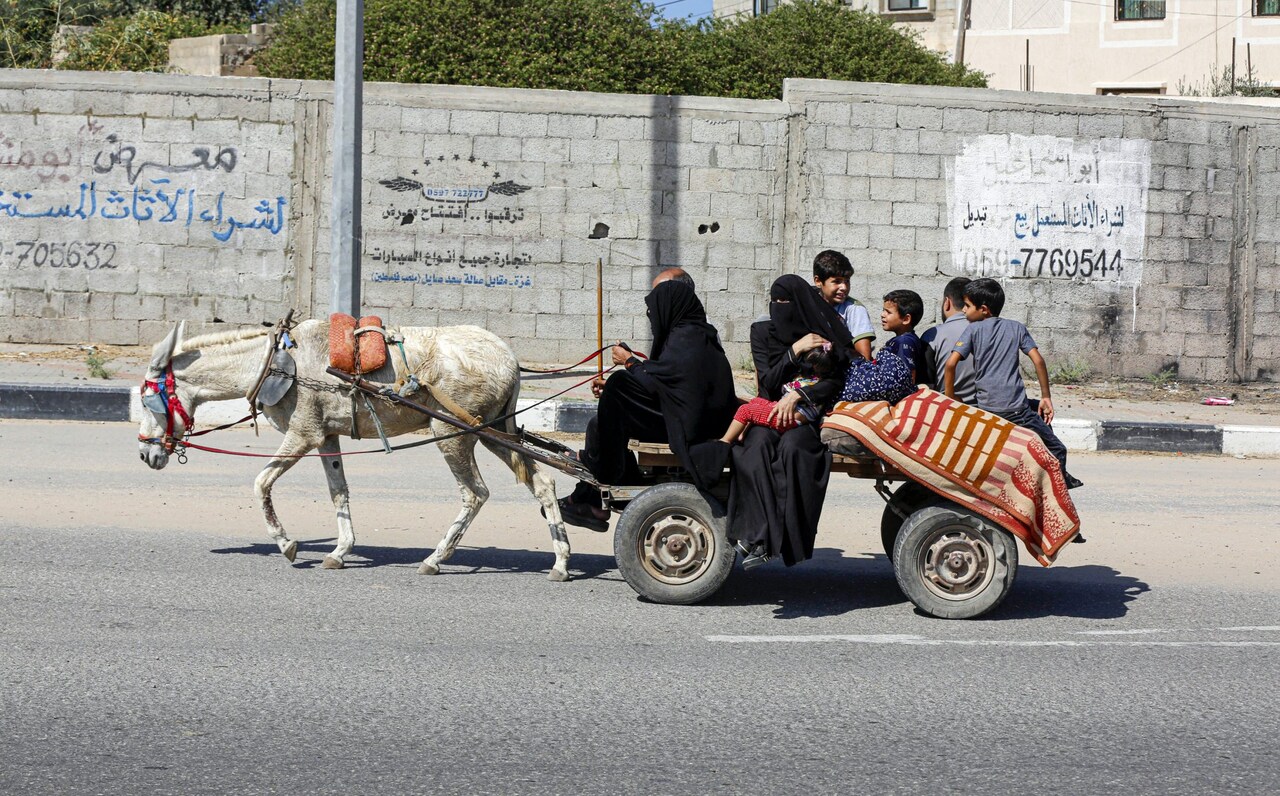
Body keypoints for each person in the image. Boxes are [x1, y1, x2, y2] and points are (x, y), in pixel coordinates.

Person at [559, 277, 738, 532]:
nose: (653, 317)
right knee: (601, 419)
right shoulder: (696, 335)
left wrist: (629, 363)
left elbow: (657, 385)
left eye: (654, 311)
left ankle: (603, 473)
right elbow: (667, 380)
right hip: (687, 417)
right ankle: (591, 497)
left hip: (687, 427)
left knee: (619, 385)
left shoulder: (687, 340)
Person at [729, 274, 853, 570]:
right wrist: (793, 351)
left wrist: (800, 396)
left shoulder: (824, 330)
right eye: (775, 302)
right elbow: (767, 383)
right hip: (770, 409)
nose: (779, 307)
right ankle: (758, 537)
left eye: (786, 302)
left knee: (795, 451)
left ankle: (783, 541)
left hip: (806, 414)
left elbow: (837, 379)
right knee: (754, 449)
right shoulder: (762, 331)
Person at [943, 277, 1087, 497]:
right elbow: (1038, 360)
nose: (963, 311)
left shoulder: (972, 331)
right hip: (1017, 412)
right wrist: (1046, 397)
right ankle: (1058, 486)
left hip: (988, 410)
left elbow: (950, 364)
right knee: (1057, 448)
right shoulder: (1017, 327)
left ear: (983, 310)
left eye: (967, 306)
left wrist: (951, 399)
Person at [720, 345, 841, 442]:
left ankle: (725, 441)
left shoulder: (812, 385)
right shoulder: (817, 382)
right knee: (754, 401)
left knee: (745, 410)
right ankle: (741, 435)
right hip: (786, 413)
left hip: (787, 420)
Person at [920, 277, 977, 404]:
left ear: (947, 302)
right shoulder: (987, 331)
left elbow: (926, 386)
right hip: (985, 409)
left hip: (946, 408)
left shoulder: (932, 336)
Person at [812, 250, 875, 361]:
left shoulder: (854, 309)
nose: (844, 287)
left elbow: (864, 358)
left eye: (847, 281)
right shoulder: (808, 303)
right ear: (818, 281)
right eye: (837, 281)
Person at [879, 289, 925, 383]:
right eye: (883, 310)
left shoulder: (904, 342)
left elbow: (909, 375)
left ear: (906, 319)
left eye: (888, 312)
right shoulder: (903, 339)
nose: (882, 315)